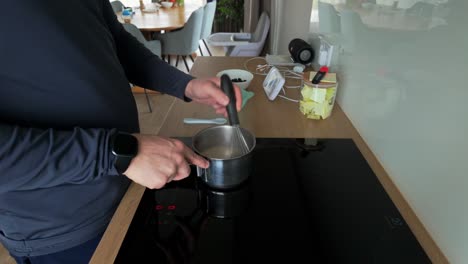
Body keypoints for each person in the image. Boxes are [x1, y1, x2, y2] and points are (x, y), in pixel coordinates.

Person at [0, 0, 242, 263]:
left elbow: (114, 40)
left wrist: (186, 85)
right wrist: (114, 153)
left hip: (129, 187)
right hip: (65, 229)